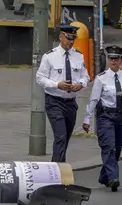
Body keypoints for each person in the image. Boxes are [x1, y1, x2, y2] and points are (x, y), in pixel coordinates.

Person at [82, 45, 122, 191]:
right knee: (109, 147)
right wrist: (86, 119)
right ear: (108, 59)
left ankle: (104, 176)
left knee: (118, 147)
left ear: (121, 60)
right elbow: (93, 99)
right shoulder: (101, 79)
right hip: (105, 116)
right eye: (111, 58)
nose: (113, 61)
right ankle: (113, 178)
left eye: (116, 58)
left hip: (121, 115)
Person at [35, 24, 90, 162]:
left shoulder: (79, 56)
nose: (70, 42)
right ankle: (57, 168)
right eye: (68, 38)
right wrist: (57, 85)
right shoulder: (50, 56)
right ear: (61, 37)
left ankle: (58, 164)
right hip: (54, 101)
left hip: (70, 103)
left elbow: (86, 76)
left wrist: (81, 84)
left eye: (73, 39)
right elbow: (40, 78)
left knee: (66, 137)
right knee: (60, 136)